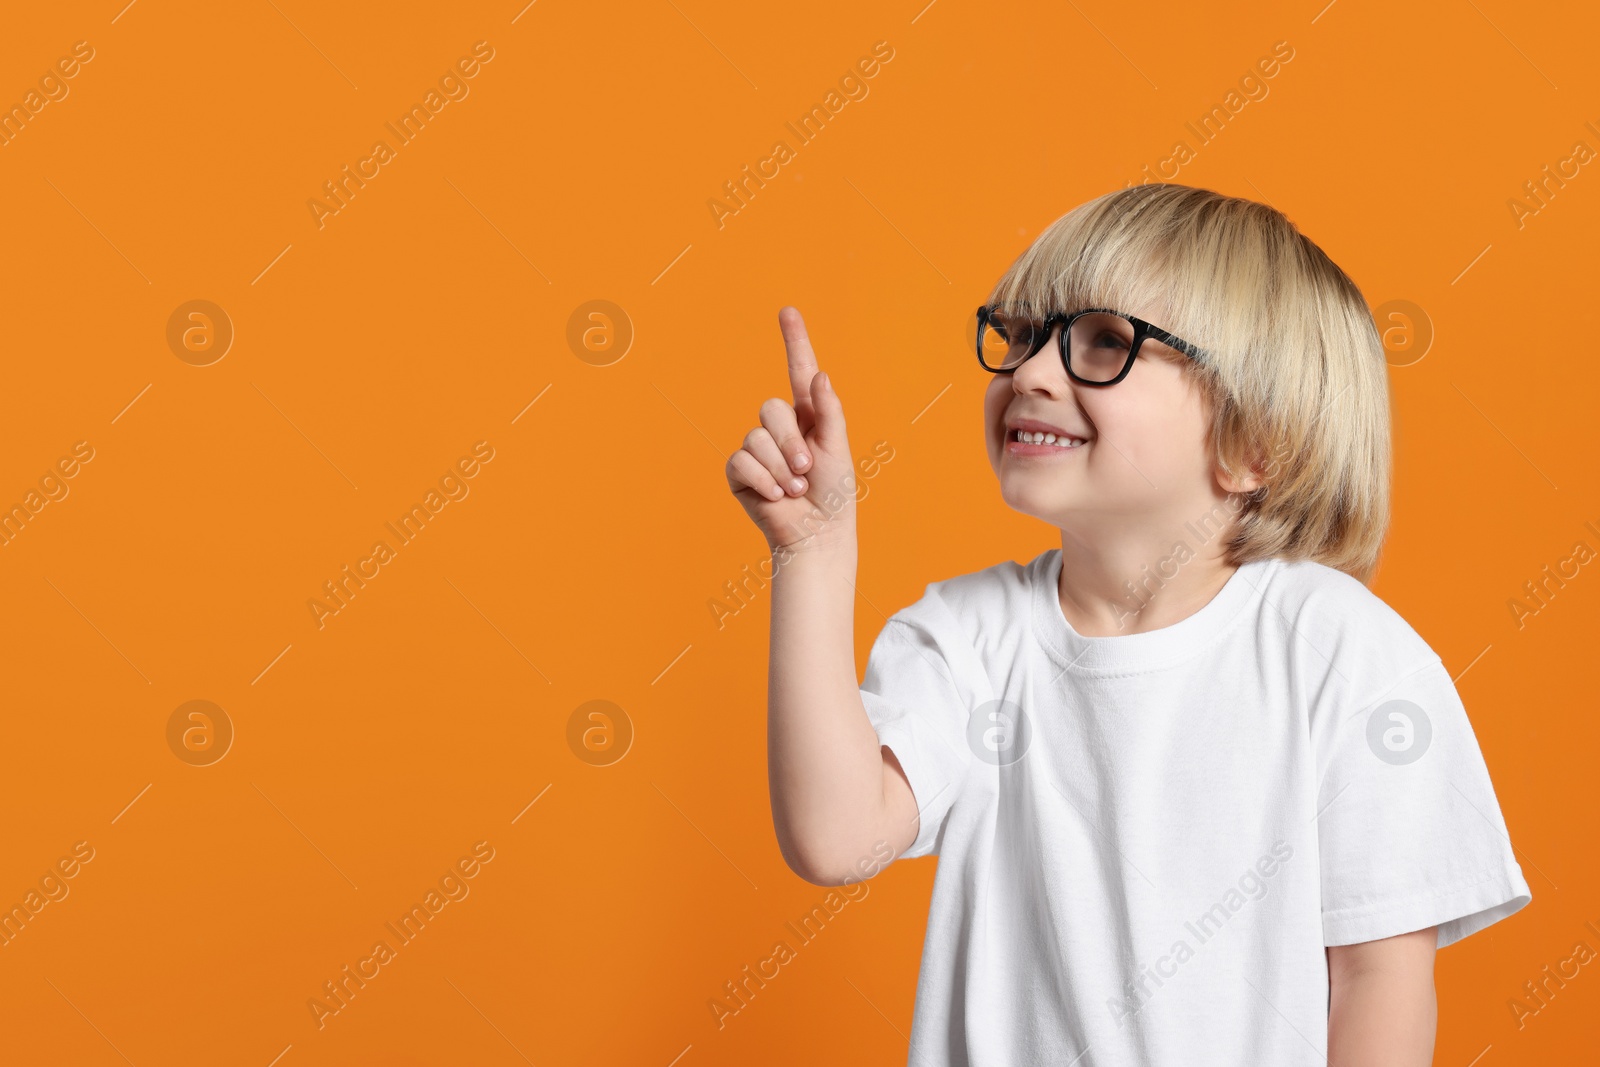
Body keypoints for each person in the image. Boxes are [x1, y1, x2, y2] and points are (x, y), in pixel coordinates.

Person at [725, 183, 1531, 1066]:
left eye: (1104, 342)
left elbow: (1380, 983)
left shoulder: (1344, 657)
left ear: (1253, 442)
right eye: (1025, 334)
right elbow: (837, 837)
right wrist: (814, 551)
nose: (1030, 372)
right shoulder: (967, 637)